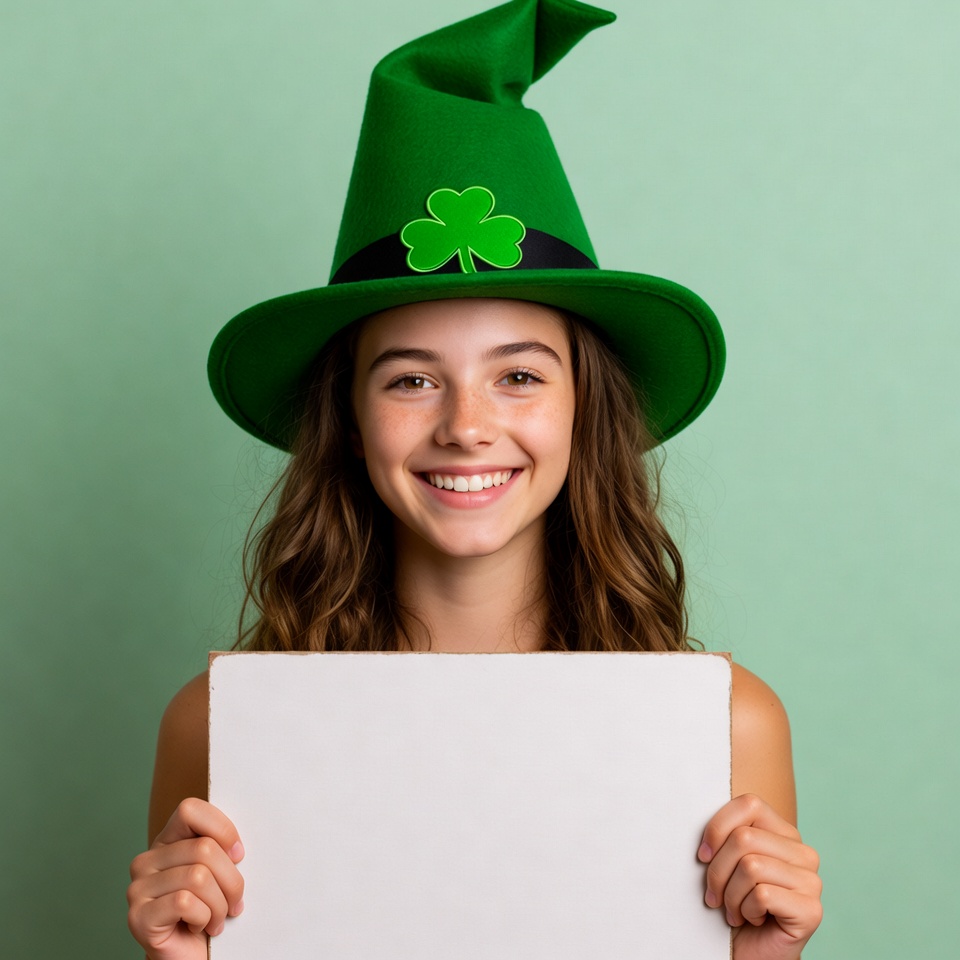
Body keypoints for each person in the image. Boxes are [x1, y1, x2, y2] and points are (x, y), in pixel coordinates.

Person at [127, 2, 822, 959]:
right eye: (411, 379)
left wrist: (764, 955)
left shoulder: (730, 726)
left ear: (584, 409)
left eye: (519, 376)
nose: (465, 426)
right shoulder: (216, 726)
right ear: (348, 418)